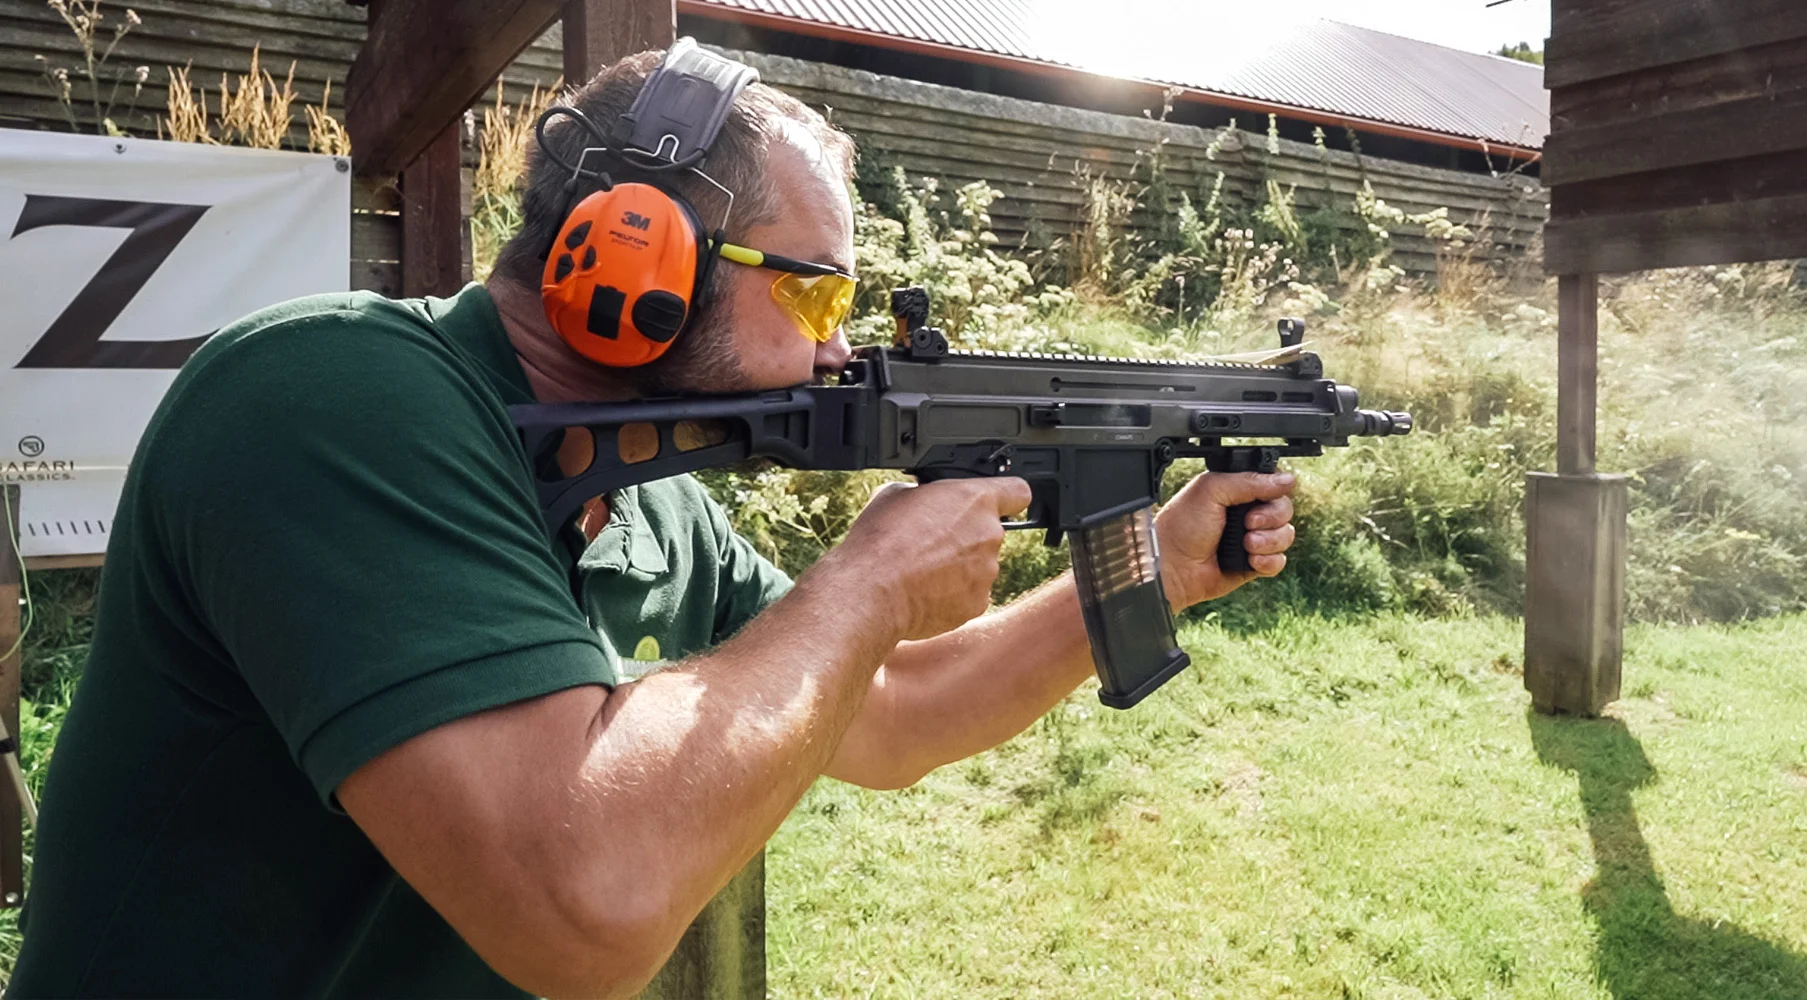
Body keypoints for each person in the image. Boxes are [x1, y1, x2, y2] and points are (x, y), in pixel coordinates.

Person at [10, 44, 1297, 998]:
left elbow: (893, 711)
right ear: (637, 254)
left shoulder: (646, 499)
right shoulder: (324, 396)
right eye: (811, 296)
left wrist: (1164, 568)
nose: (838, 345)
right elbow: (586, 908)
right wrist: (861, 586)